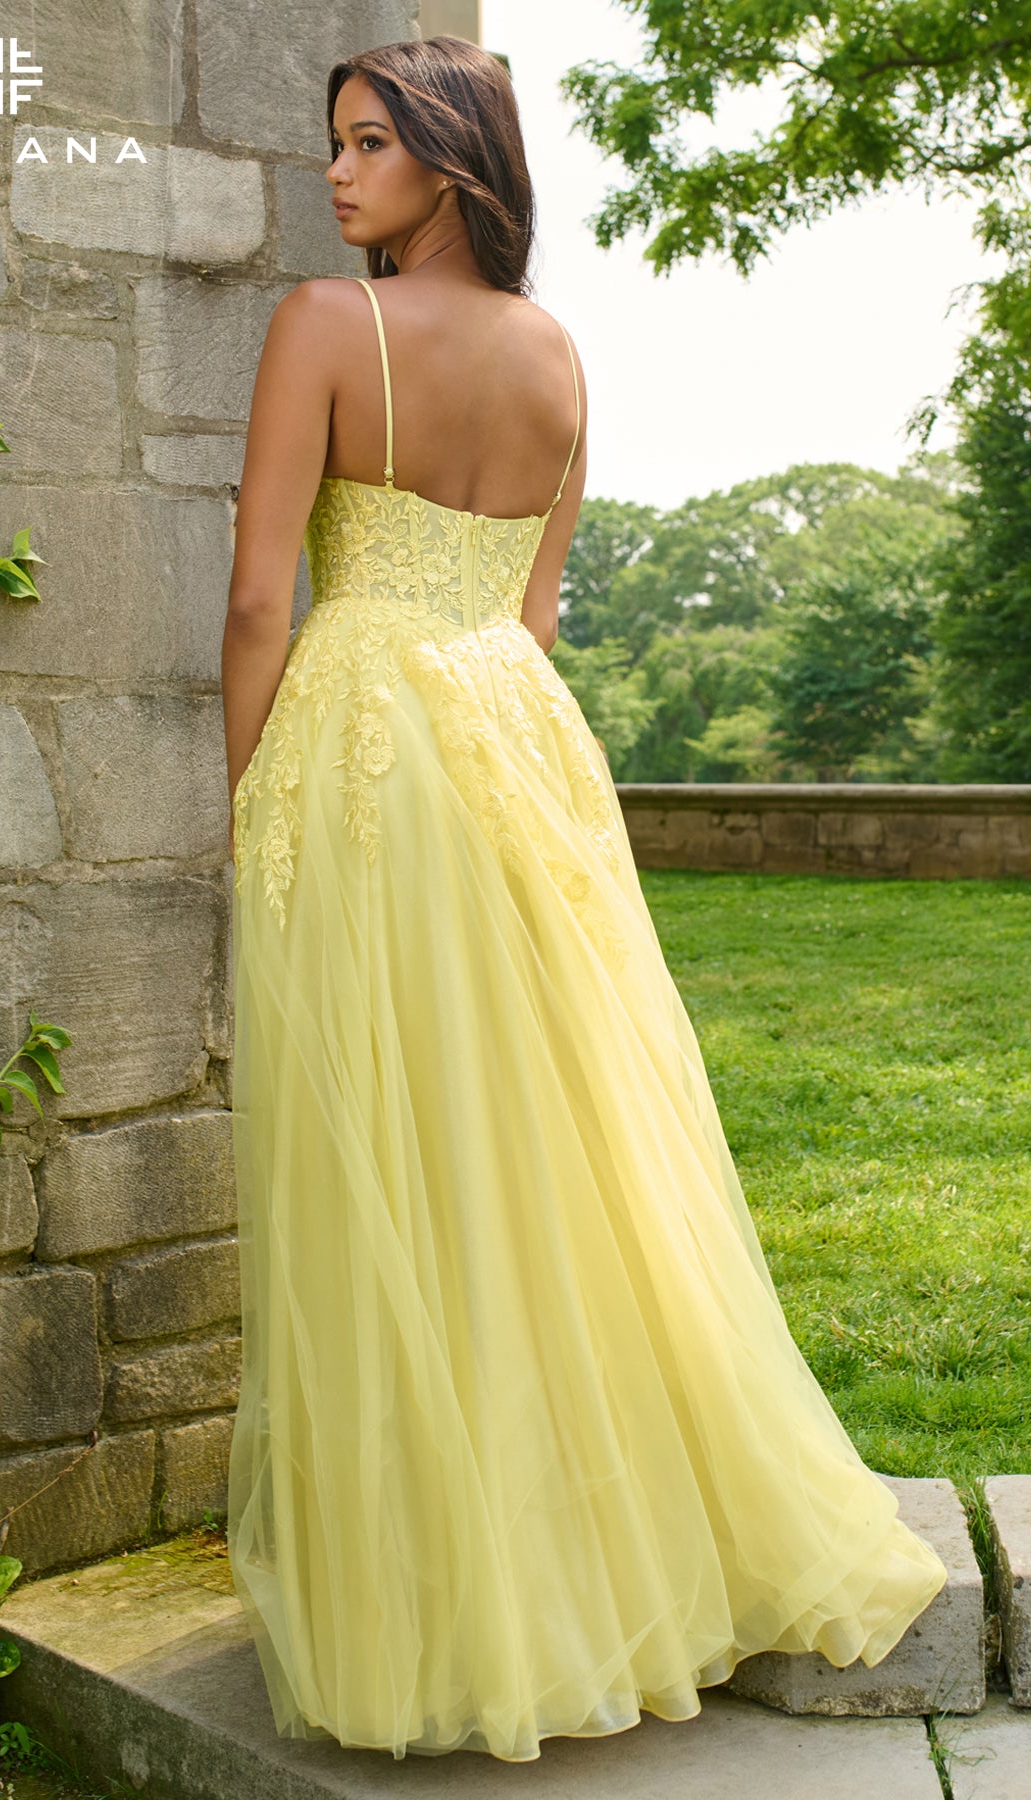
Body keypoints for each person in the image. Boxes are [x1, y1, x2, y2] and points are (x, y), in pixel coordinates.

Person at [220, 33, 947, 1766]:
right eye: (337, 142)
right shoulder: (560, 359)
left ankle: (436, 1592)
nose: (338, 173)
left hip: (364, 746)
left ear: (453, 160)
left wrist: (247, 808)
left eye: (369, 142)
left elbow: (261, 602)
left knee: (392, 1160)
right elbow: (537, 613)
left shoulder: (328, 329)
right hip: (520, 748)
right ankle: (581, 1555)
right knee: (548, 1154)